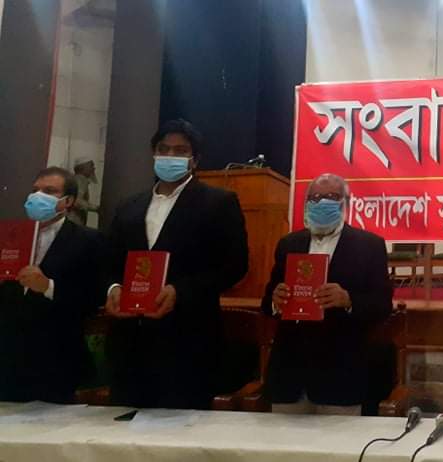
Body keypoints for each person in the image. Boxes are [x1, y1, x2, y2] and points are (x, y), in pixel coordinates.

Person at [103, 119, 249, 410]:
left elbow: (235, 265)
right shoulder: (128, 205)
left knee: (179, 430)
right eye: (163, 149)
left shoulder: (218, 203)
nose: (170, 156)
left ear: (195, 160)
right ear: (153, 154)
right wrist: (113, 288)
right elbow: (109, 260)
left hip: (187, 342)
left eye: (180, 151)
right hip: (130, 343)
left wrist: (180, 291)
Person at [263, 174, 393, 415]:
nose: (322, 202)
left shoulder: (369, 245)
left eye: (331, 197)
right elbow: (267, 300)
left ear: (346, 202)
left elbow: (382, 305)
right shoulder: (289, 244)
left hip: (340, 375)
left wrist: (348, 300)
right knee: (282, 440)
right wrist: (275, 300)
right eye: (315, 198)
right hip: (289, 375)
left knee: (337, 440)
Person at [0, 167, 103, 403]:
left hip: (57, 358)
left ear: (69, 201)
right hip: (8, 357)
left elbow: (93, 298)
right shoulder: (8, 235)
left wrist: (48, 287)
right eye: (35, 190)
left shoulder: (88, 240)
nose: (38, 196)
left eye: (49, 191)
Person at [67, 157, 98, 226]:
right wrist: (96, 208)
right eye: (91, 165)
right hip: (73, 222)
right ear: (83, 167)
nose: (94, 168)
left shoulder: (76, 179)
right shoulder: (81, 179)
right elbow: (76, 201)